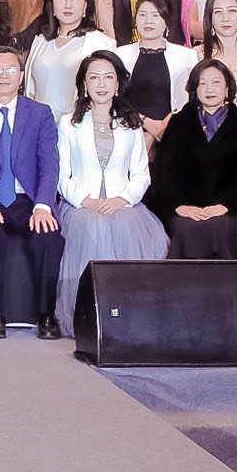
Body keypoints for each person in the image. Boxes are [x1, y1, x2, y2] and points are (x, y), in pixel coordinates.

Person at [53, 49, 169, 329]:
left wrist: (122, 199)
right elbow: (61, 174)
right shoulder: (68, 124)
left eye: (108, 77)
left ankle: (127, 317)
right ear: (84, 84)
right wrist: (86, 201)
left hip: (122, 204)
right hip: (81, 205)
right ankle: (91, 318)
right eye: (94, 78)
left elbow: (141, 173)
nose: (101, 84)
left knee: (124, 227)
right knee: (92, 227)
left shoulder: (130, 123)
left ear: (118, 83)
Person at [0, 44, 63, 338]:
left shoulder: (40, 114)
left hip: (29, 199)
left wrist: (43, 205)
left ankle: (46, 315)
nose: (4, 75)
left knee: (48, 236)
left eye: (11, 69)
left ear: (21, 75)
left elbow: (49, 164)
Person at [149, 58, 237, 264]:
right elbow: (163, 173)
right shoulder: (179, 122)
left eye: (216, 82)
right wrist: (179, 206)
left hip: (230, 209)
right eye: (202, 83)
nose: (209, 89)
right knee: (186, 227)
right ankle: (186, 284)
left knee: (217, 226)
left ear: (227, 88)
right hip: (186, 207)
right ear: (195, 89)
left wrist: (225, 206)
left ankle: (222, 284)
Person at [23, 0, 112, 113]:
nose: (68, 5)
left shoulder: (100, 42)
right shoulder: (40, 41)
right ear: (51, 5)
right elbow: (30, 91)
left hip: (77, 123)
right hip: (39, 123)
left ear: (85, 6)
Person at [115, 0, 199, 136]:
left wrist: (165, 125)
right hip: (129, 132)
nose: (148, 21)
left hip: (173, 133)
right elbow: (115, 99)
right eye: (142, 15)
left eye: (155, 15)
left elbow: (193, 99)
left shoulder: (187, 56)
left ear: (167, 21)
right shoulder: (119, 55)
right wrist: (145, 122)